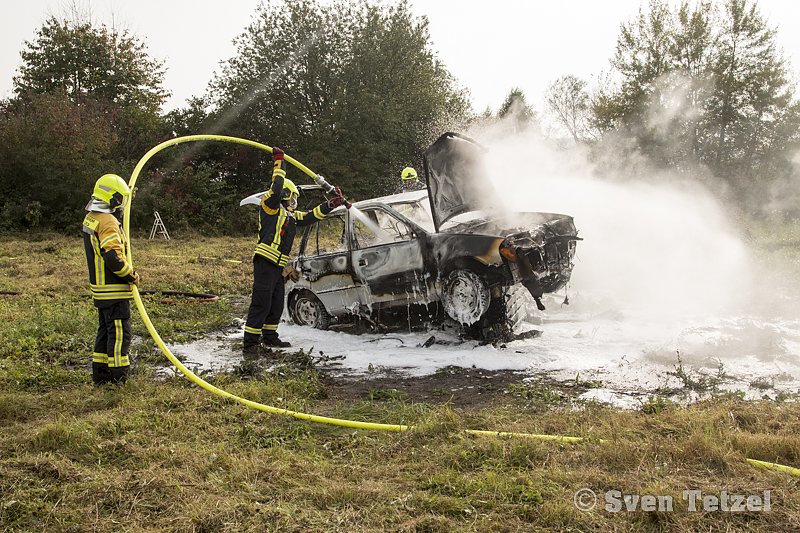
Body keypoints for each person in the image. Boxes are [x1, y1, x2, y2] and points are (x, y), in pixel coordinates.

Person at [243, 147, 347, 352]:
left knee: (275, 304)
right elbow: (277, 184)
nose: (294, 203)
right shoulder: (270, 206)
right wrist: (279, 161)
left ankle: (270, 337)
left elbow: (310, 216)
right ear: (285, 194)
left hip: (278, 267)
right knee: (261, 303)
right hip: (265, 262)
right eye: (292, 198)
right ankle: (250, 344)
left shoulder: (290, 215)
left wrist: (330, 204)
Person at [81, 174, 141, 385]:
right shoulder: (108, 222)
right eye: (121, 199)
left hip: (100, 289)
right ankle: (118, 379)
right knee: (119, 335)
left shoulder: (92, 217)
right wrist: (131, 275)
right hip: (114, 290)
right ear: (114, 198)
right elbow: (113, 258)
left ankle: (101, 376)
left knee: (105, 333)